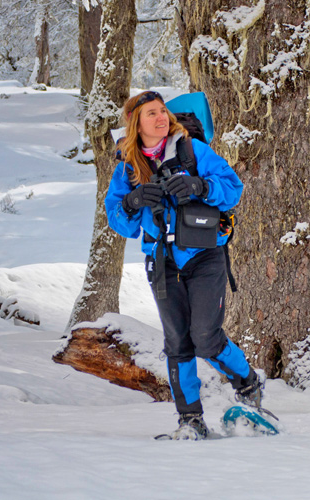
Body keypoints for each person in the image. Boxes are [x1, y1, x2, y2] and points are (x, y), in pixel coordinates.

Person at [105, 91, 261, 440]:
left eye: (163, 111)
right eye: (151, 114)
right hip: (161, 260)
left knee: (205, 337)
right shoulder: (127, 168)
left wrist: (200, 185)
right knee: (178, 342)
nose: (161, 118)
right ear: (135, 124)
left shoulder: (192, 151)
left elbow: (233, 189)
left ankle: (248, 384)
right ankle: (190, 419)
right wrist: (131, 202)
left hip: (205, 255)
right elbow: (121, 222)